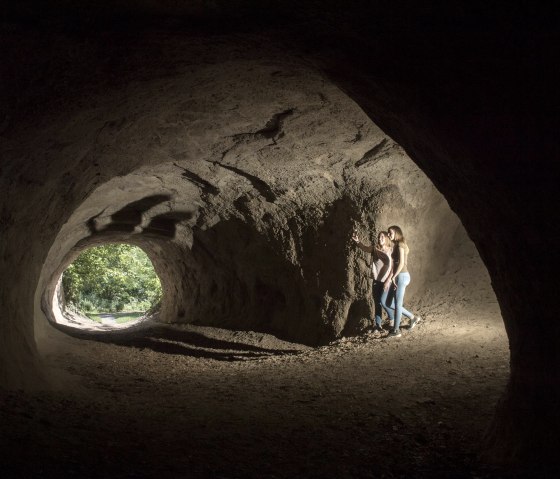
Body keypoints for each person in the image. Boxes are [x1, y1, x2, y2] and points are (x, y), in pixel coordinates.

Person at [352, 229, 394, 333]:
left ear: (387, 238)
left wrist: (389, 280)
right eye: (379, 237)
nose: (380, 239)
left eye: (382, 237)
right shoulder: (375, 248)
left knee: (384, 302)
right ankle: (378, 325)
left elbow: (393, 267)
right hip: (376, 280)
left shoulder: (391, 250)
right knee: (377, 303)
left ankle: (392, 318)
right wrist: (357, 241)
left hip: (386, 281)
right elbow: (365, 248)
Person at [385, 225, 421, 338]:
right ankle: (412, 317)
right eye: (388, 233)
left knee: (398, 304)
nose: (388, 235)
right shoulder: (398, 244)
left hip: (401, 276)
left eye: (390, 233)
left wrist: (393, 277)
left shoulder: (400, 244)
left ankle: (396, 331)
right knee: (388, 303)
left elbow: (401, 264)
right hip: (400, 276)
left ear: (396, 233)